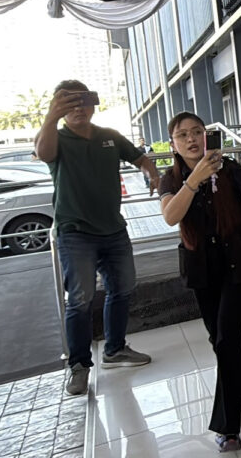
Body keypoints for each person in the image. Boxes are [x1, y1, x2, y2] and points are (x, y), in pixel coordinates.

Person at [158, 112, 241, 452]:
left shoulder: (229, 168)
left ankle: (228, 426)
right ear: (173, 144)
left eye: (197, 132)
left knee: (226, 337)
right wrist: (195, 180)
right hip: (202, 267)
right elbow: (171, 216)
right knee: (220, 337)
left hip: (240, 261)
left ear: (207, 136)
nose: (192, 139)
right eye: (183, 135)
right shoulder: (170, 180)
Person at [34, 80, 161, 396]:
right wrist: (51, 116)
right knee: (79, 300)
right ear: (59, 107)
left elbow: (140, 157)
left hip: (114, 229)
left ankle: (114, 350)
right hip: (75, 233)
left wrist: (152, 172)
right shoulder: (56, 137)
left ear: (93, 103)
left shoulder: (109, 136)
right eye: (69, 103)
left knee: (123, 288)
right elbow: (43, 152)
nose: (79, 108)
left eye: (84, 101)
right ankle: (79, 366)